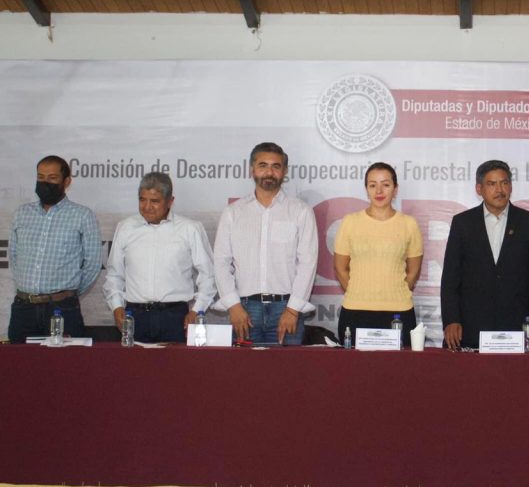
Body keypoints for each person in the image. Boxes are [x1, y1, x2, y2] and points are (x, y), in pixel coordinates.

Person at [213, 142, 318, 345]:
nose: (269, 172)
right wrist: (233, 306)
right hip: (244, 309)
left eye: (276, 166)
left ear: (284, 171)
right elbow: (221, 262)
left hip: (286, 309)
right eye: (263, 165)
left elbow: (307, 263)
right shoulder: (233, 212)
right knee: (245, 366)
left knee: (287, 366)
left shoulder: (300, 211)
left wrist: (292, 310)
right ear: (252, 169)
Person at [441, 160, 529, 350]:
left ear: (511, 186)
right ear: (479, 189)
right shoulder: (463, 223)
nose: (499, 189)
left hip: (517, 328)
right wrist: (451, 320)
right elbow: (450, 278)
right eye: (492, 184)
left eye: (504, 183)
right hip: (470, 328)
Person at [103, 172, 216, 343]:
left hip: (176, 317)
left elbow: (208, 274)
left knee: (175, 361)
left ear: (170, 201)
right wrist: (117, 306)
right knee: (133, 361)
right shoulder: (125, 228)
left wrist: (196, 310)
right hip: (135, 317)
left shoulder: (189, 229)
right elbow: (114, 274)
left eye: (155, 201)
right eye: (142, 200)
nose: (147, 207)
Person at [8, 155, 102, 343]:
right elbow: (14, 256)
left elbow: (92, 264)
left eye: (52, 178)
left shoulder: (82, 215)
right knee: (18, 360)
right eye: (40, 177)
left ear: (66, 182)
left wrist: (67, 294)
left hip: (63, 309)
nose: (45, 183)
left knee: (64, 362)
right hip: (23, 308)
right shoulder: (21, 213)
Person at [334, 162, 423, 347]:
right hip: (355, 310)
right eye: (373, 185)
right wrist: (358, 292)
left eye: (386, 185)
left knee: (398, 366)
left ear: (395, 189)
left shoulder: (409, 224)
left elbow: (413, 271)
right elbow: (340, 268)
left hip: (398, 312)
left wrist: (394, 293)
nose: (379, 191)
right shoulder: (350, 222)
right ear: (366, 189)